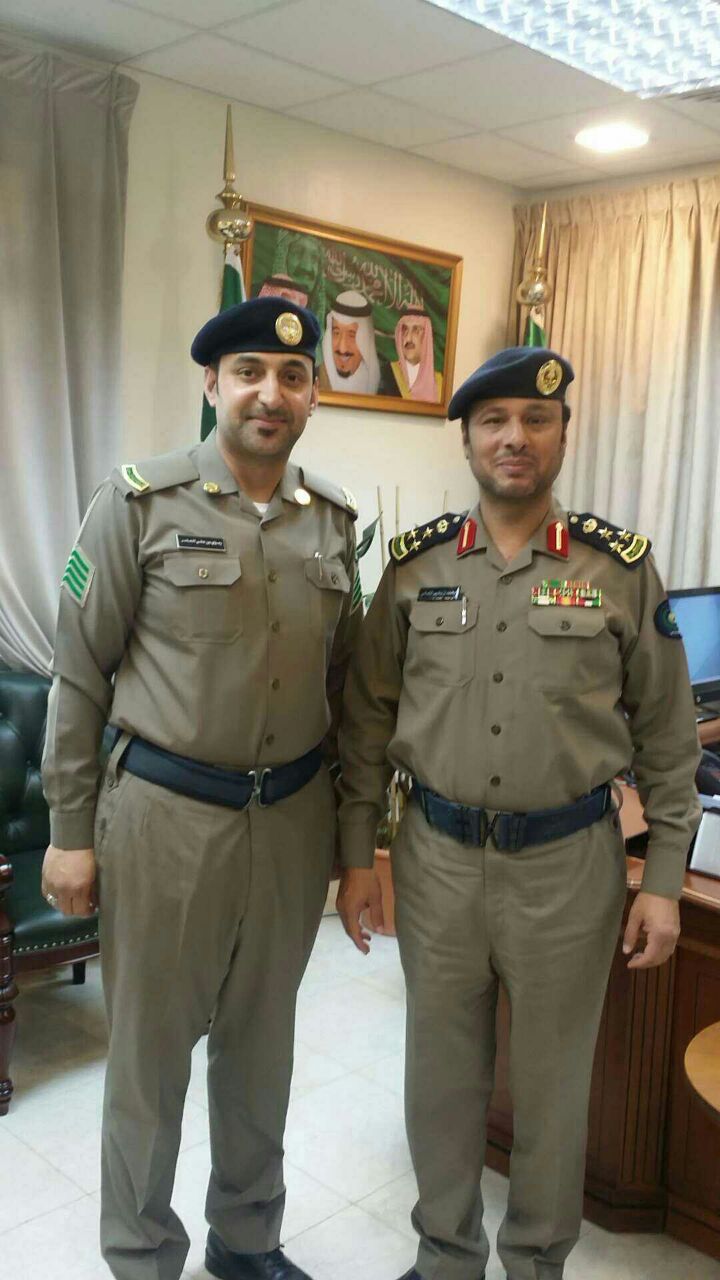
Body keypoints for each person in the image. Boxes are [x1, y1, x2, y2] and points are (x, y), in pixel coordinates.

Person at [335, 346, 701, 1280]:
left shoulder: (618, 569)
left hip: (567, 869)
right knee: (440, 1080)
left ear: (563, 436)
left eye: (537, 420)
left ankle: (536, 1263)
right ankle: (445, 1258)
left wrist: (663, 882)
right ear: (465, 439)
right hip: (437, 863)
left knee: (552, 1090)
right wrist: (358, 858)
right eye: (494, 421)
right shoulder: (415, 568)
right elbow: (367, 721)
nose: (515, 438)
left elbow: (669, 740)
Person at [41, 296, 361, 1280]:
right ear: (213, 384)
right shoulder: (137, 503)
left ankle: (246, 1237)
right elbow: (79, 673)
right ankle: (141, 1252)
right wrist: (69, 829)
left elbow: (346, 688)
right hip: (165, 818)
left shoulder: (332, 522)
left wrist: (357, 846)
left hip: (293, 818)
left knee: (263, 1048)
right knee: (150, 1056)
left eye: (293, 376)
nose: (272, 392)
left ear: (312, 396)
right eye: (250, 371)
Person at [319, 289, 396, 395]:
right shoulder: (313, 377)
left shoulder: (386, 385)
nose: (342, 348)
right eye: (336, 333)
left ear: (364, 340)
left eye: (352, 335)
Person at [391, 307, 442, 402]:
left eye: (416, 330)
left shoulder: (440, 383)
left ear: (426, 337)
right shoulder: (387, 373)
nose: (408, 338)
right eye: (405, 330)